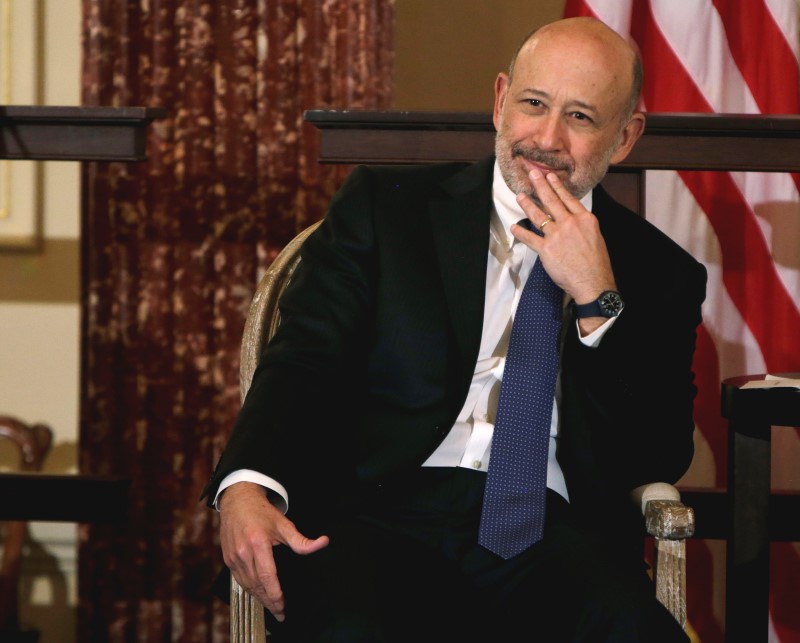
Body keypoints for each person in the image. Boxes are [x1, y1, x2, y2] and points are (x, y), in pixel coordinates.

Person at [203, 16, 707, 643]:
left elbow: (657, 454)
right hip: (378, 514)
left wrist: (598, 303)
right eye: (533, 104)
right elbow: (305, 361)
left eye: (580, 117)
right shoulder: (388, 207)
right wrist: (247, 485)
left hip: (551, 537)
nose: (546, 138)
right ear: (500, 102)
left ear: (625, 136)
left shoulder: (661, 273)